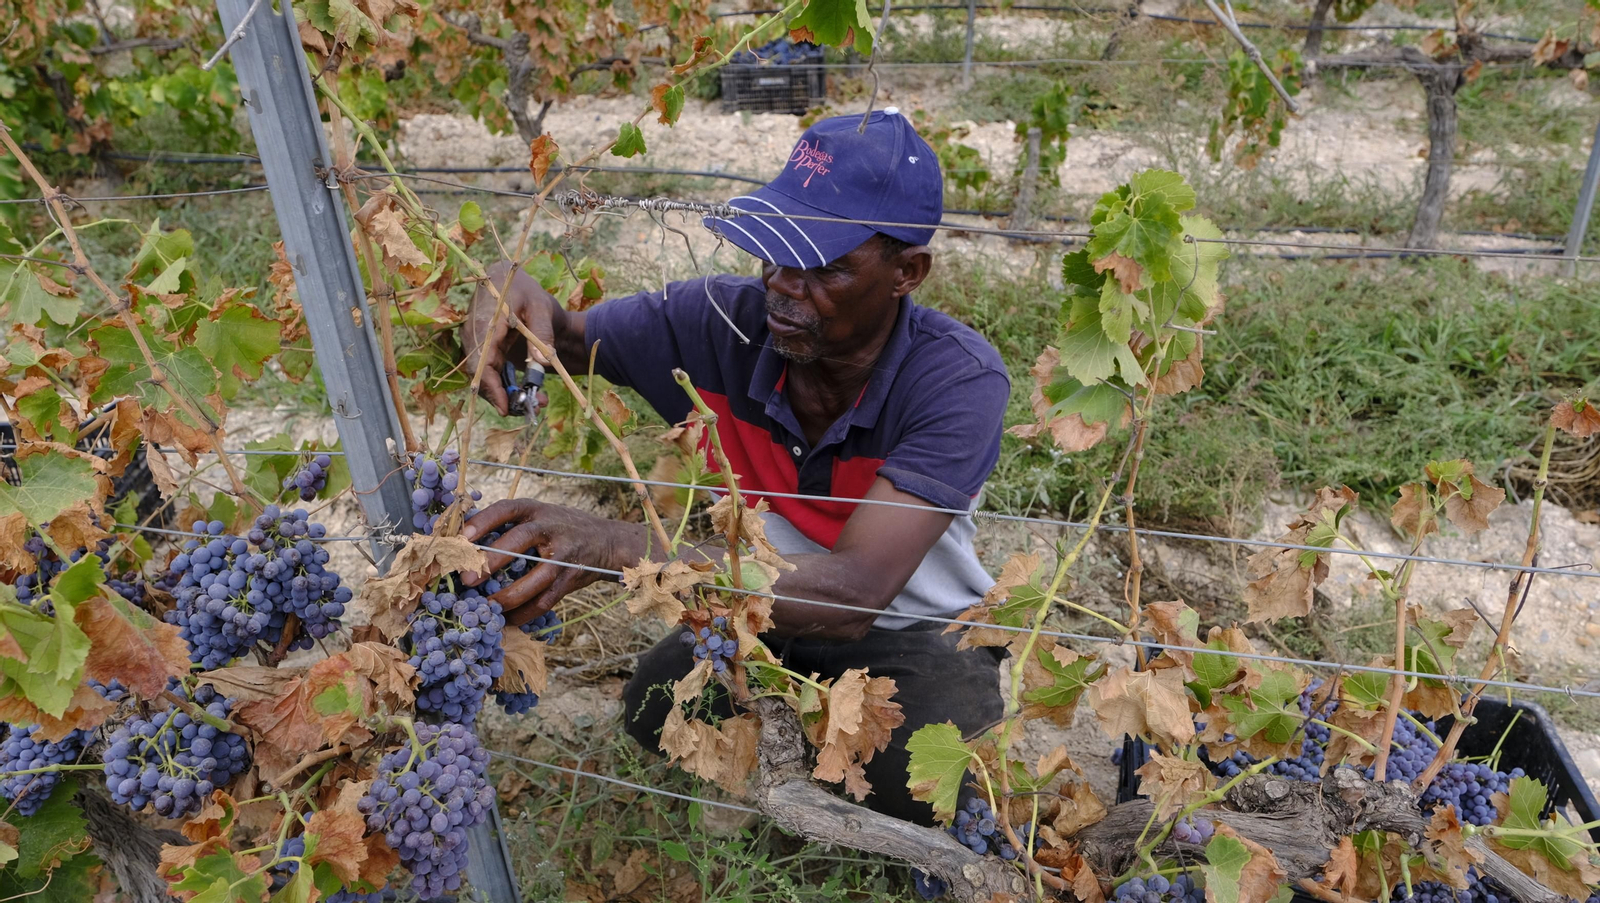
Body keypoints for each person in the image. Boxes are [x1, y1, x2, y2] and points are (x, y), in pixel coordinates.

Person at [459, 109, 1010, 825]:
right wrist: (503, 284)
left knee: (923, 787)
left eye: (825, 267)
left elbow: (853, 593)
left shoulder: (956, 379)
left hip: (919, 633)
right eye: (777, 252)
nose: (784, 284)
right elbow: (555, 335)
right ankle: (788, 776)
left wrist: (618, 547)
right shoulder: (718, 322)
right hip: (760, 616)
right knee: (653, 707)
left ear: (907, 271)